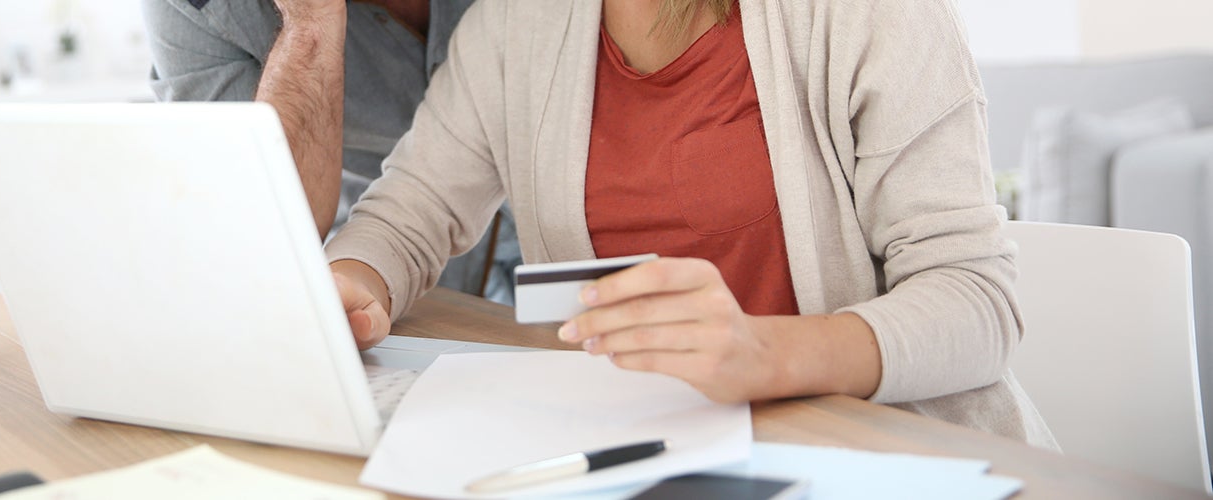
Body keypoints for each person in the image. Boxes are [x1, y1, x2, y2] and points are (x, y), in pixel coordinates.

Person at [325, 0, 1059, 448]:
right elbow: (408, 212)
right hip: (653, 454)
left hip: (891, 452)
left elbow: (976, 302)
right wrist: (350, 283)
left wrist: (763, 354)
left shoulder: (867, 11)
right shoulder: (516, 22)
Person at [141, 0, 520, 301]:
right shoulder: (199, 10)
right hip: (392, 249)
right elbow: (264, 239)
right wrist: (309, 23)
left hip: (564, 226)